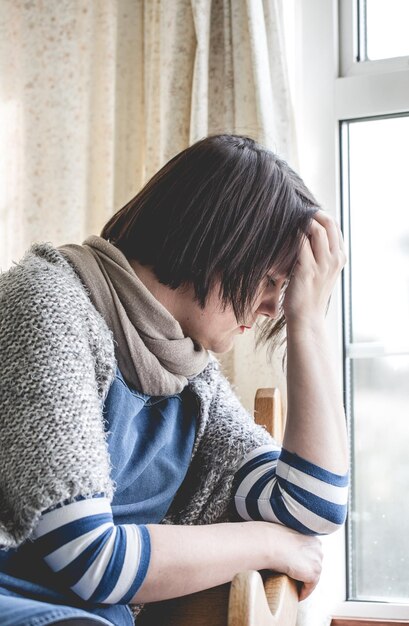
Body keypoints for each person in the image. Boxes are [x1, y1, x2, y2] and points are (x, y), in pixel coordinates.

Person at [0, 134, 348, 626]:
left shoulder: (190, 370)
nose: (274, 307)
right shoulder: (47, 303)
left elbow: (312, 506)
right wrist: (268, 543)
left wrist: (308, 324)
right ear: (222, 245)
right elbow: (91, 559)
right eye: (270, 282)